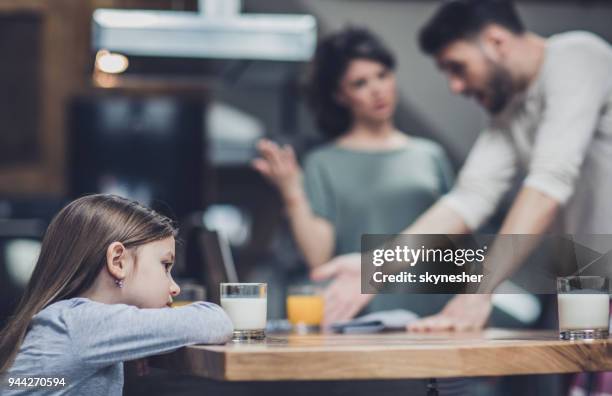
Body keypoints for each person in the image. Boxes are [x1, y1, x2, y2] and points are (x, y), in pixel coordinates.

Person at [312, 0, 612, 331]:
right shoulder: (509, 111)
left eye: (458, 67)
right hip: (587, 286)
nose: (456, 87)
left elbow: (549, 182)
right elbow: (470, 197)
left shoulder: (577, 57)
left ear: (496, 42)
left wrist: (479, 293)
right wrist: (377, 266)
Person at [253, 27, 455, 323]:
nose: (377, 89)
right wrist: (291, 189)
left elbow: (460, 236)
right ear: (340, 95)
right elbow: (318, 258)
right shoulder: (323, 162)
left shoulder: (430, 154)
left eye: (382, 75)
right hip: (365, 317)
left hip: (437, 314)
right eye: (360, 83)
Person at [0, 194, 233, 395]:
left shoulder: (73, 322)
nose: (174, 287)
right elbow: (215, 320)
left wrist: (139, 338)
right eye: (165, 265)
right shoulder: (82, 324)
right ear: (117, 261)